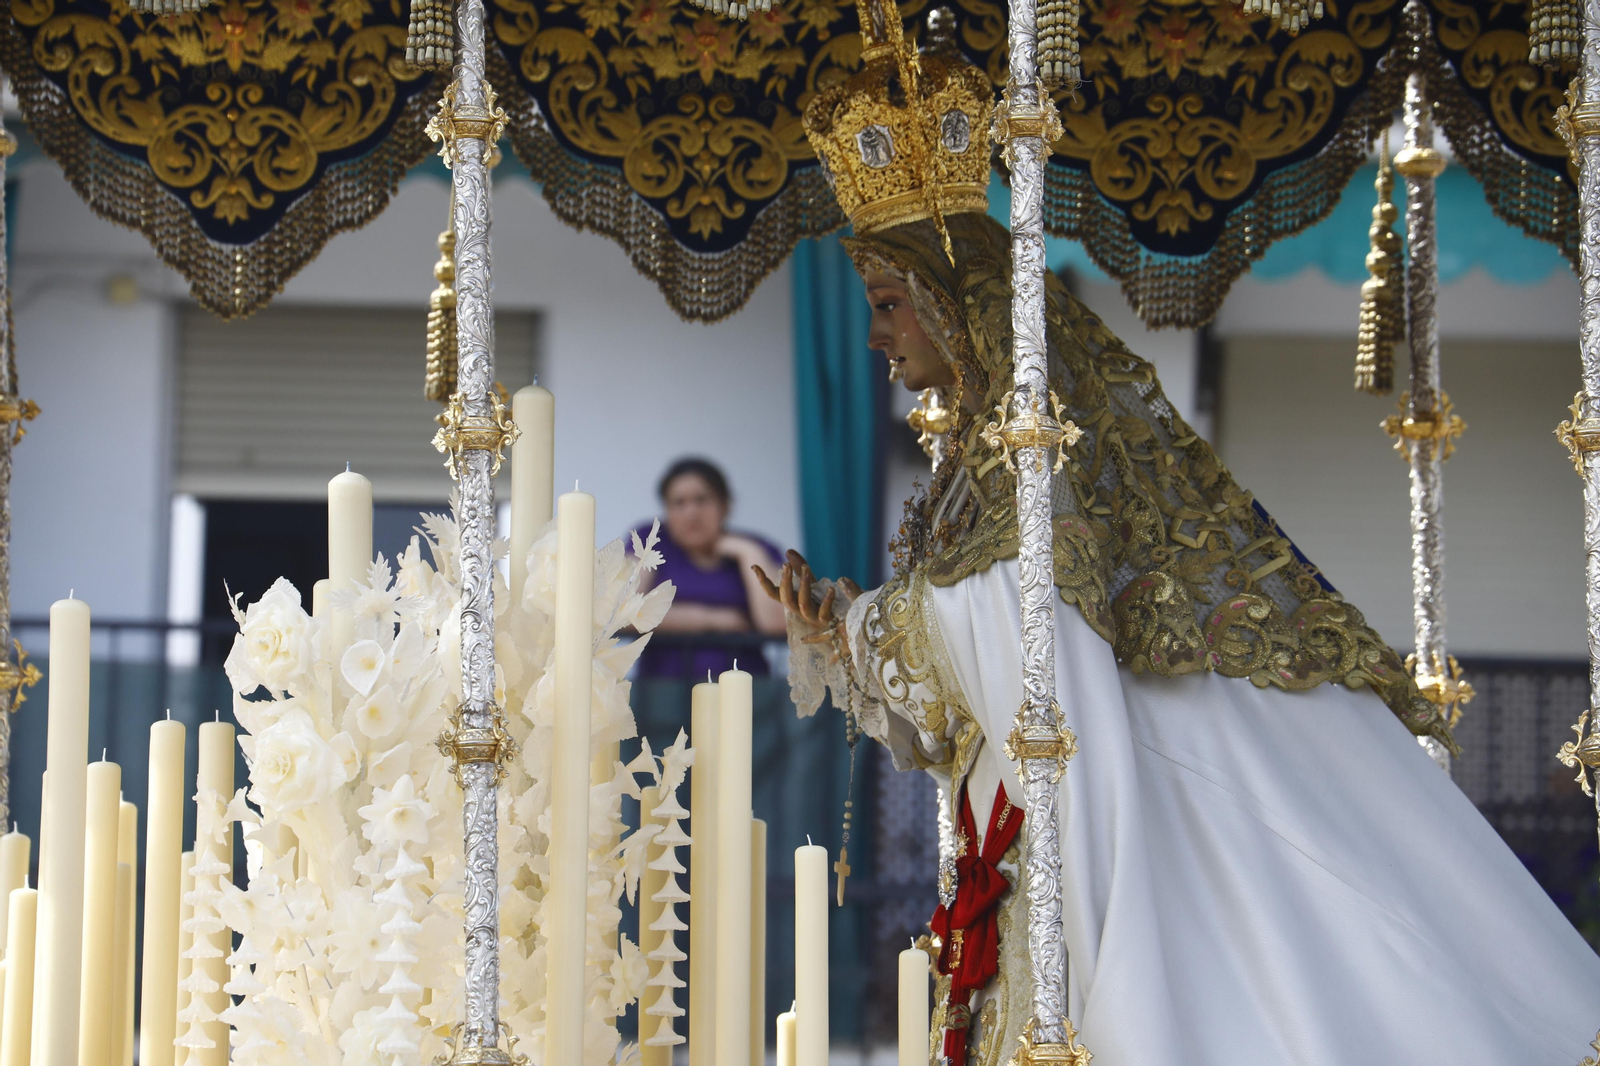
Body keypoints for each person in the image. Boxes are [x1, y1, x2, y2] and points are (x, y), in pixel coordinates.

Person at [760, 8, 1600, 1065]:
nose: (878, 335)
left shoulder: (1033, 464)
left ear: (958, 302)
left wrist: (870, 624)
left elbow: (1009, 635)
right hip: (1011, 842)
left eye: (889, 304)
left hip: (1067, 833)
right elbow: (963, 676)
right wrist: (851, 631)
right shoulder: (975, 471)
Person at [636, 457, 785, 680]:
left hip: (748, 696)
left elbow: (777, 624)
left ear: (725, 505)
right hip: (662, 697)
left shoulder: (757, 548)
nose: (691, 513)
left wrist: (747, 553)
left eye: (702, 500)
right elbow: (626, 611)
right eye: (679, 502)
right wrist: (711, 620)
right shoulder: (651, 540)